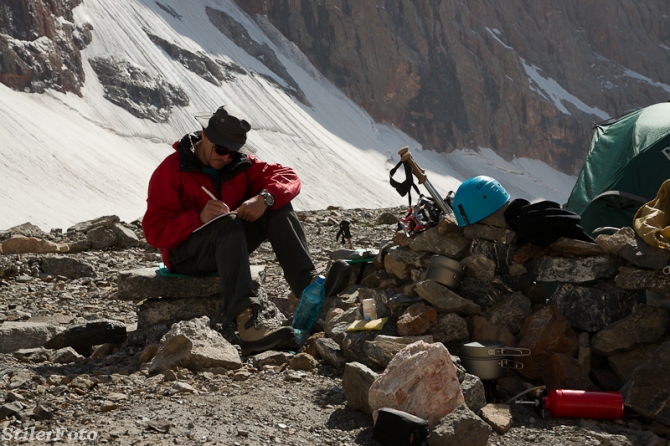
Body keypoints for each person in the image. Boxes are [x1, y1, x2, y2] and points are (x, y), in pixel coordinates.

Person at [142, 106, 319, 355]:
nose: (226, 157)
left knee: (277, 206)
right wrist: (198, 218)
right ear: (204, 136)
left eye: (232, 152)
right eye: (221, 149)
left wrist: (264, 198)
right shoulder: (171, 170)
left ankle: (310, 290)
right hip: (186, 256)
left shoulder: (240, 164)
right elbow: (154, 231)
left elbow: (287, 176)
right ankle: (248, 324)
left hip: (228, 245)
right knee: (227, 223)